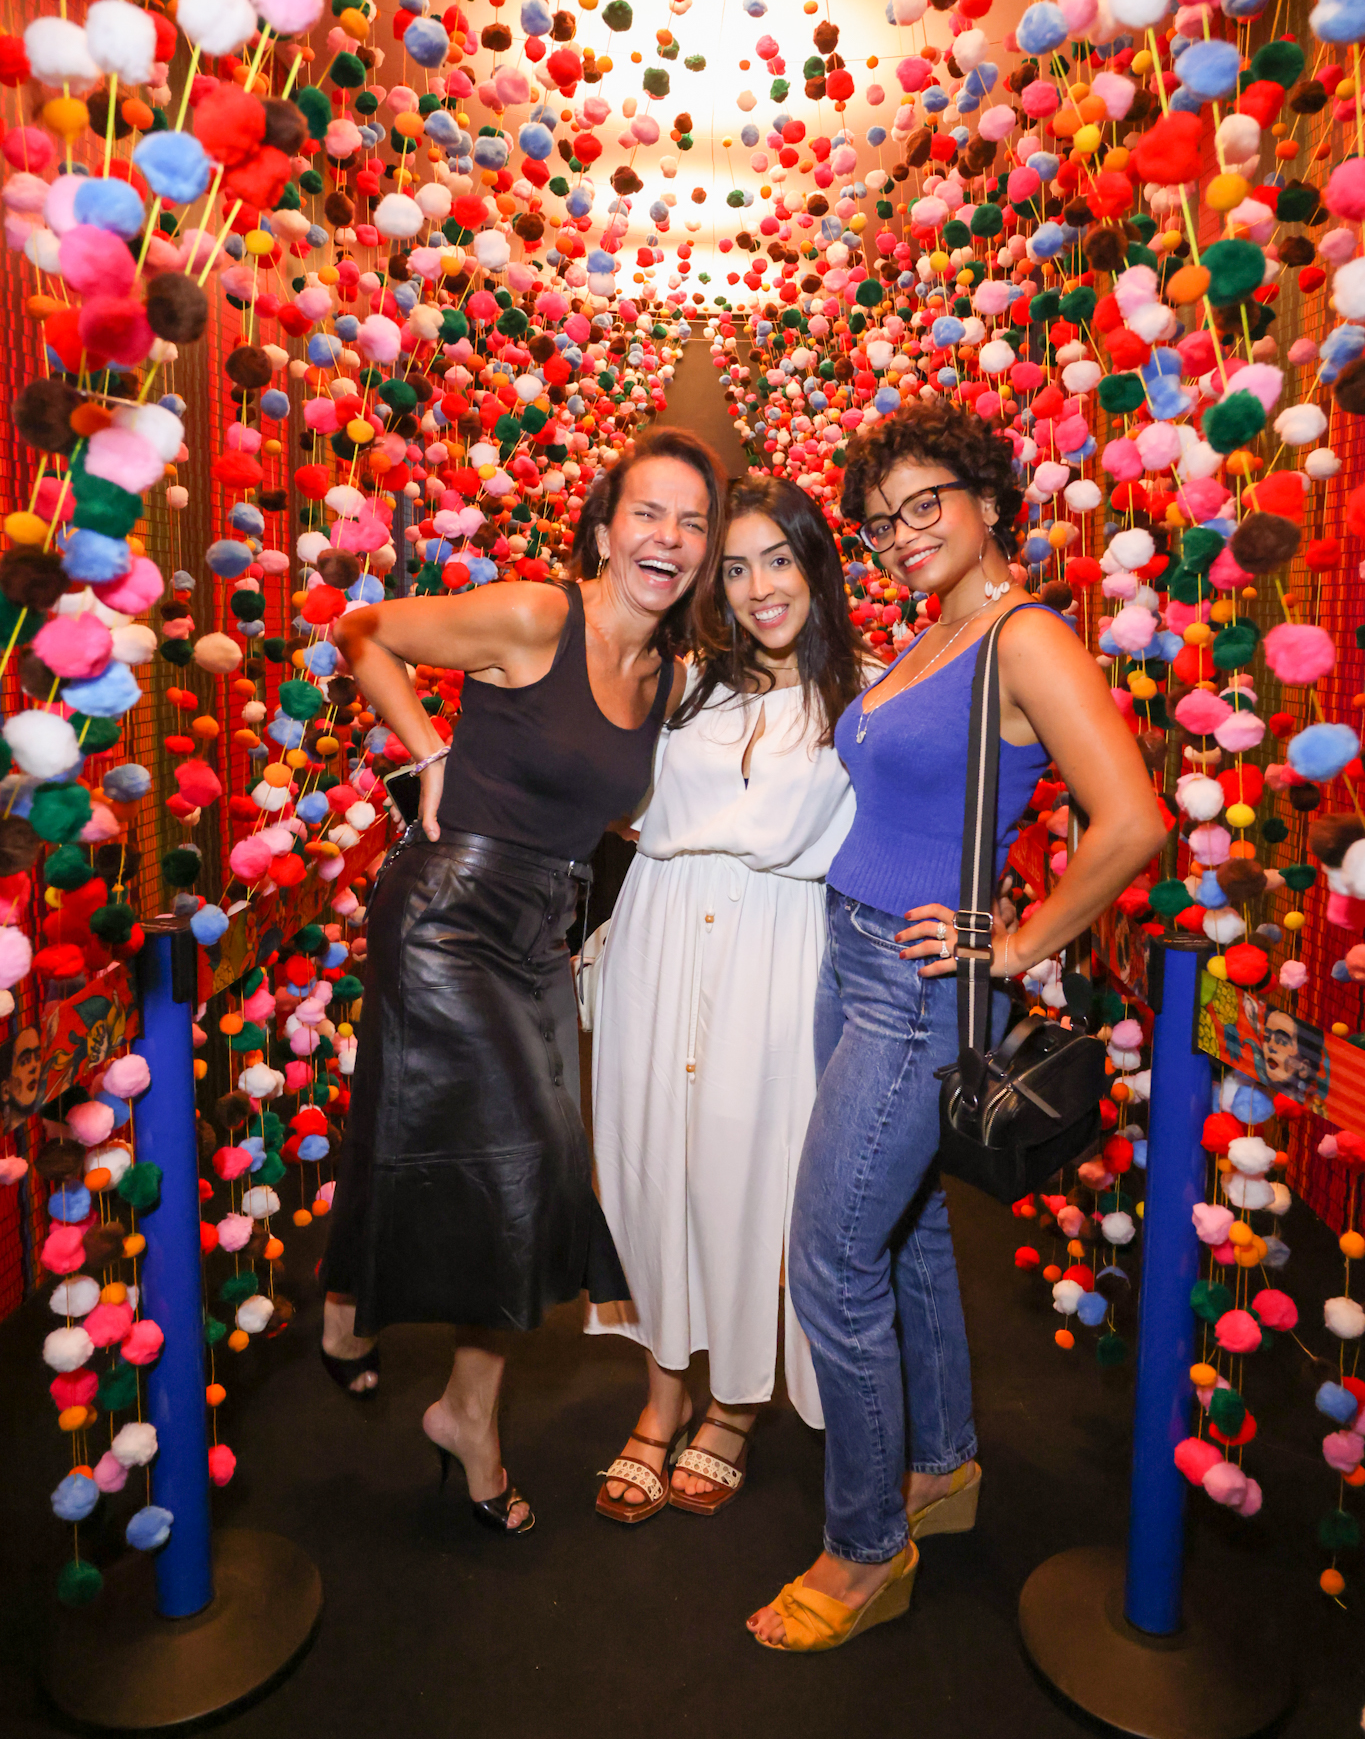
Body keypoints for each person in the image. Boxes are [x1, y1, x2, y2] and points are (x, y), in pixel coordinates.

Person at [748, 402, 1167, 1649]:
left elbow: (1133, 820)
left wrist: (1022, 940)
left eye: (926, 503)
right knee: (911, 1230)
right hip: (854, 952)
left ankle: (865, 1547)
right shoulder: (938, 631)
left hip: (920, 978)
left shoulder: (1026, 635)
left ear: (988, 498)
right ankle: (946, 1467)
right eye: (882, 521)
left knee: (828, 1258)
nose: (901, 534)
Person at [321, 429, 727, 1536]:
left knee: (526, 1171)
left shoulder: (666, 672)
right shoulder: (540, 616)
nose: (670, 537)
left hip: (541, 927)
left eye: (692, 523)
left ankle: (408, 1356)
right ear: (605, 528)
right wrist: (428, 752)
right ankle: (451, 1400)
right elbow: (361, 631)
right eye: (649, 512)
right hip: (451, 912)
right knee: (520, 1161)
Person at [588, 477, 865, 1523]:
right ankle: (661, 1397)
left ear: (816, 565)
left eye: (778, 560)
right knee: (652, 1168)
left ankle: (736, 1403)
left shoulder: (867, 697)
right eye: (736, 566)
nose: (758, 588)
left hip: (781, 951)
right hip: (660, 938)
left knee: (756, 1178)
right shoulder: (685, 683)